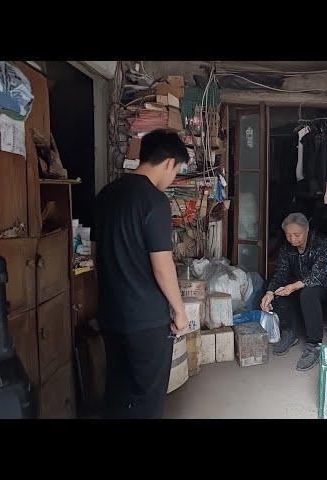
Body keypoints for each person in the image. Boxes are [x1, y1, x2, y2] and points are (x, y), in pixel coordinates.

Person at [95, 129, 189, 419]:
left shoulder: (107, 194)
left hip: (111, 313)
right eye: (177, 172)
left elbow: (97, 252)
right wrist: (179, 310)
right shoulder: (154, 201)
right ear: (169, 162)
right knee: (147, 396)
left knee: (117, 390)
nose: (173, 179)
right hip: (146, 319)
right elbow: (162, 266)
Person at [260, 213, 327, 371]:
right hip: (296, 284)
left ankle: (314, 344)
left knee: (308, 294)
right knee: (273, 288)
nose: (292, 239)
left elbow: (318, 275)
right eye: (288, 235)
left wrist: (293, 286)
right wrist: (270, 292)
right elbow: (281, 272)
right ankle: (289, 331)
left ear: (307, 230)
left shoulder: (321, 243)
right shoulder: (287, 247)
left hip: (318, 287)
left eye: (296, 235)